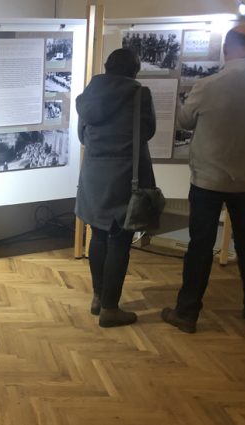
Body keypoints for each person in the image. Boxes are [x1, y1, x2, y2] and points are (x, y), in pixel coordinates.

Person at [162, 25, 245, 334]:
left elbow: (185, 120)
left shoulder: (209, 85)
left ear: (227, 48)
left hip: (208, 180)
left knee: (200, 246)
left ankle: (187, 313)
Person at [75, 48, 157, 328]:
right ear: (134, 71)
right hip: (125, 176)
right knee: (120, 240)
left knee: (98, 235)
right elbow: (147, 131)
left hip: (94, 175)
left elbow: (82, 136)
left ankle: (98, 298)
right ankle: (110, 308)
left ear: (107, 67)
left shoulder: (89, 95)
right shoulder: (140, 95)